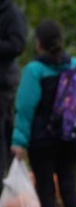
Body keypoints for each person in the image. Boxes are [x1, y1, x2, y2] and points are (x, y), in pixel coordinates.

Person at [11, 19, 76, 207]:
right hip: (71, 138)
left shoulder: (34, 70)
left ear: (39, 43)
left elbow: (25, 108)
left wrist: (19, 141)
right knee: (69, 187)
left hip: (42, 141)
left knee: (46, 190)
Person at [0, 0, 27, 195]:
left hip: (3, 85)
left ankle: (4, 185)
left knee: (2, 135)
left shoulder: (10, 11)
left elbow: (18, 44)